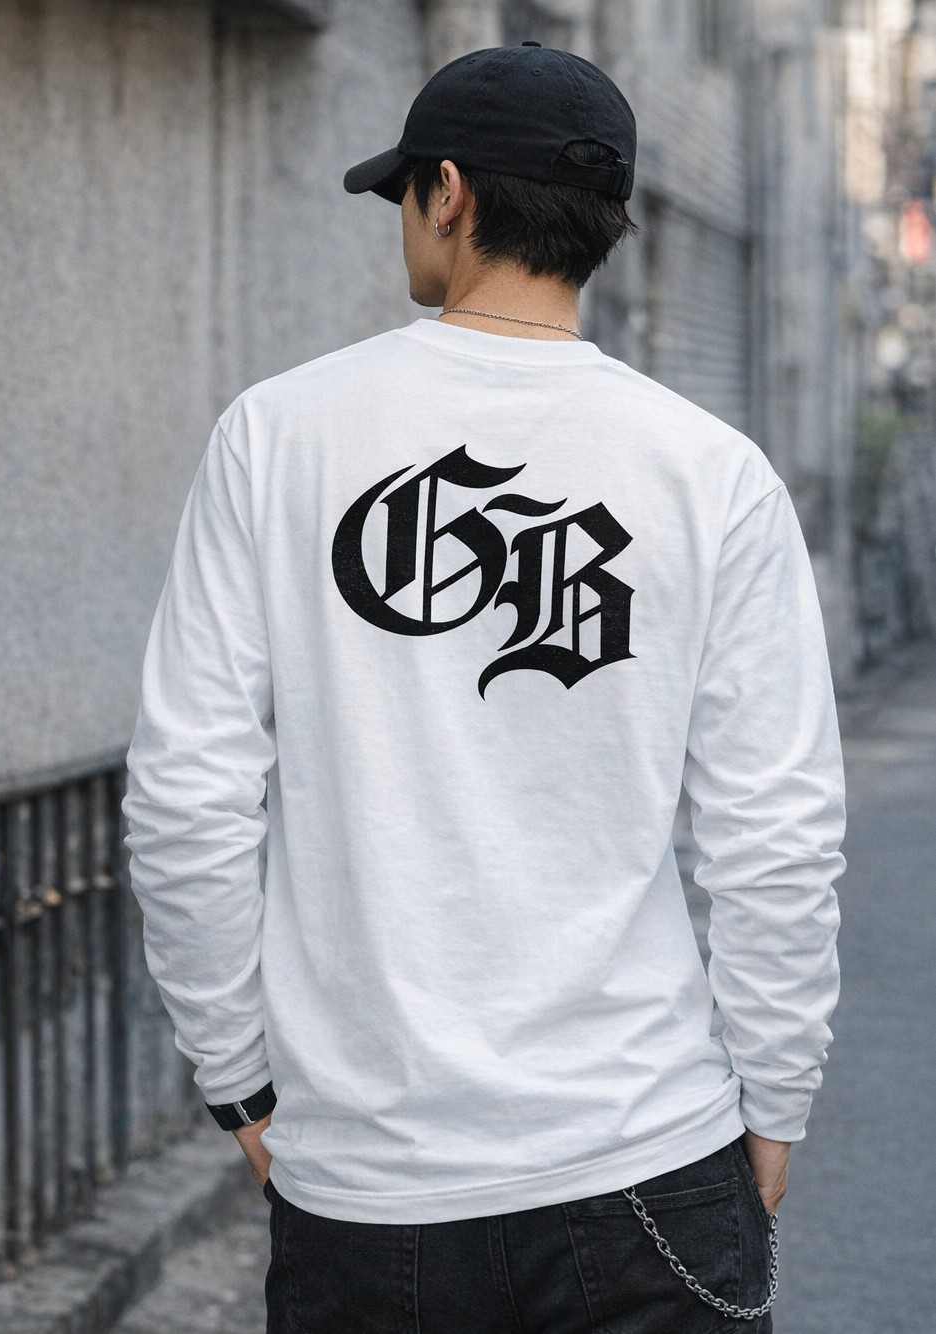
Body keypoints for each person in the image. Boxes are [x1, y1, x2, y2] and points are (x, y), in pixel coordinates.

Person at [123, 41, 845, 1334]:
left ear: (447, 193)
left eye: (403, 191)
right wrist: (775, 1097)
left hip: (370, 1187)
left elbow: (187, 798)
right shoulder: (713, 472)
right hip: (645, 1155)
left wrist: (238, 1081)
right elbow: (775, 834)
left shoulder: (278, 436)